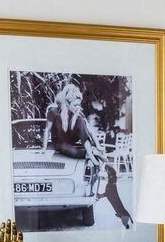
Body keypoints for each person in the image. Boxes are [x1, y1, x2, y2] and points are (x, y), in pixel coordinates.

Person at [40, 84, 133, 229]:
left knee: (82, 122)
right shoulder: (53, 111)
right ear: (67, 103)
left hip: (74, 146)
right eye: (75, 104)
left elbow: (90, 132)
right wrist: (43, 149)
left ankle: (94, 153)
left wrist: (99, 147)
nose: (78, 107)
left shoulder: (79, 114)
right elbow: (46, 130)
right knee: (81, 150)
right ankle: (92, 153)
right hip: (60, 145)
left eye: (79, 104)